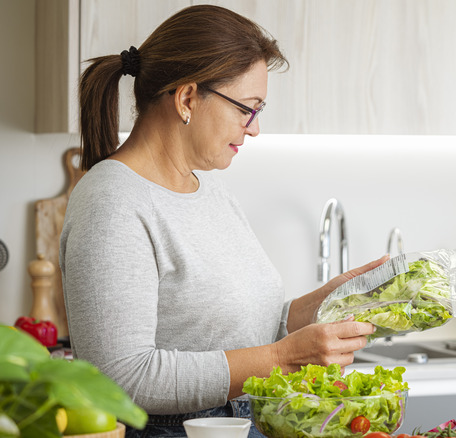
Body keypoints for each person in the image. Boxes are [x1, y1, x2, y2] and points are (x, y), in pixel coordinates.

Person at [60, 5, 385, 437]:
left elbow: (242, 330)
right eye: (246, 108)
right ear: (188, 97)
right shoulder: (112, 202)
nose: (253, 129)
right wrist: (283, 359)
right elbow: (120, 377)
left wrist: (323, 305)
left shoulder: (210, 190)